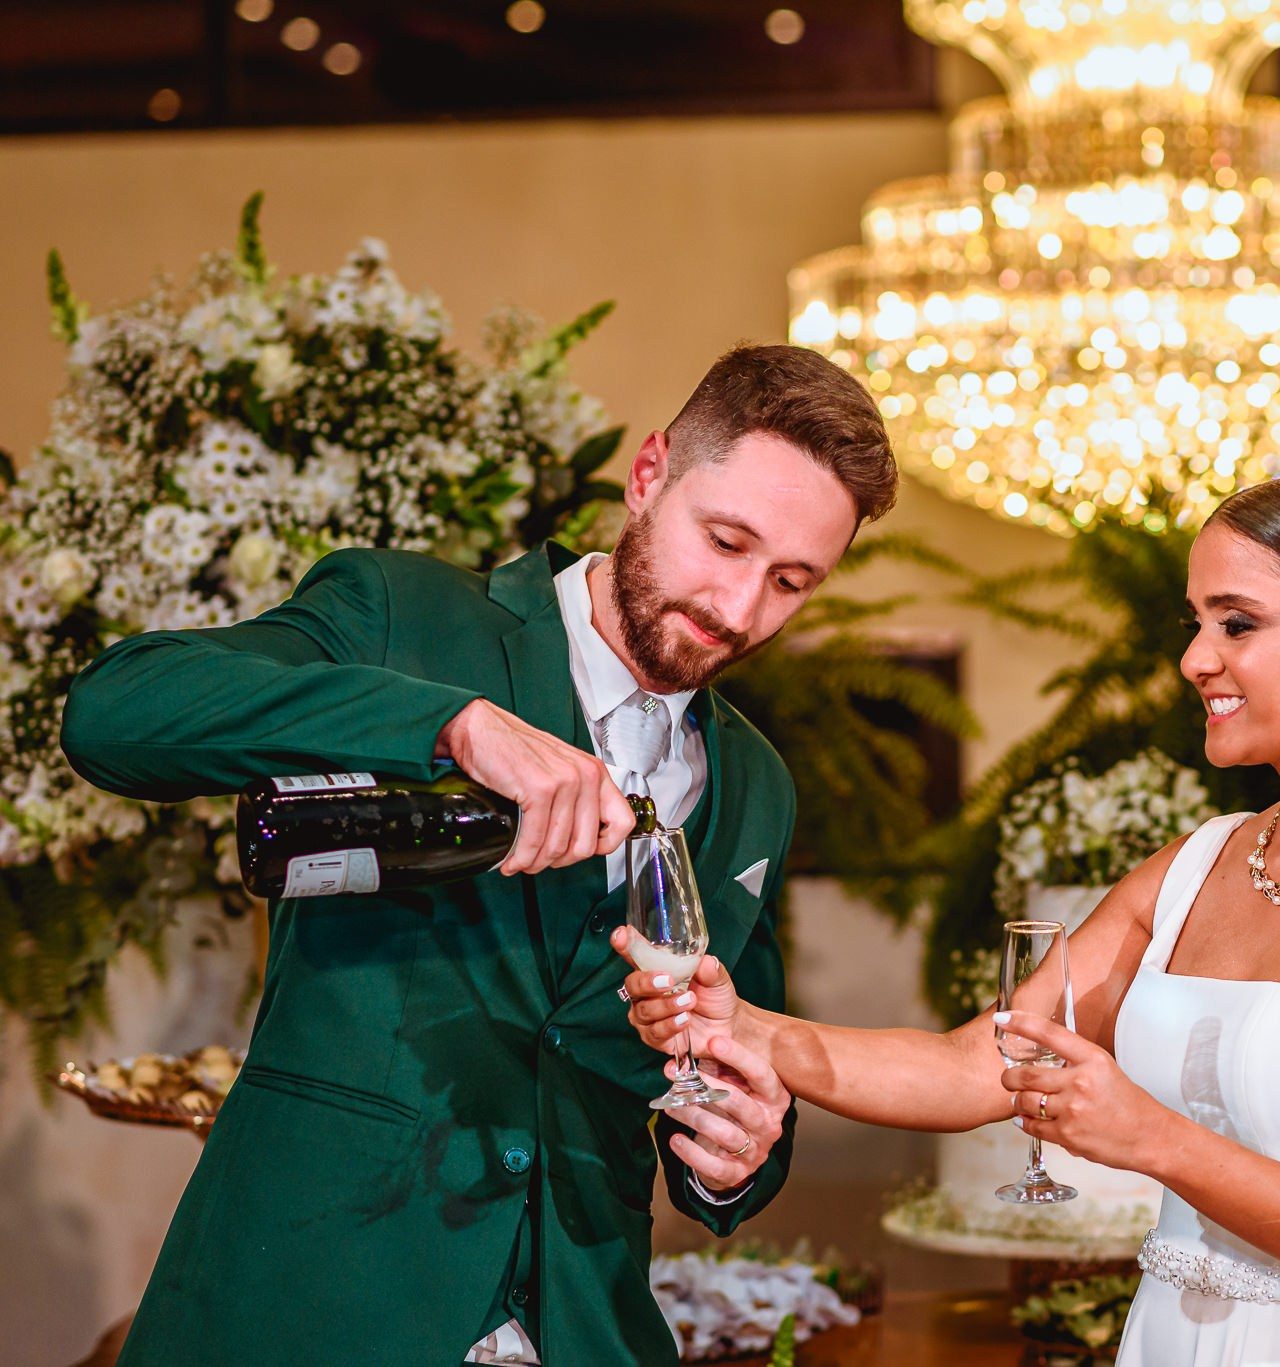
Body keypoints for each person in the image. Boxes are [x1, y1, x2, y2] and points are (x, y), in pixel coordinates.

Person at [60, 343, 898, 1367]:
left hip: (582, 1323)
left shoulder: (757, 783)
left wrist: (739, 1153)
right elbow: (116, 711)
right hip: (313, 1302)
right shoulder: (404, 616)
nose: (738, 607)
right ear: (649, 476)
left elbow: (730, 1049)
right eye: (723, 540)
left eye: (789, 580)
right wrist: (450, 722)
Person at [620, 469, 1280, 1366]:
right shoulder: (1193, 865)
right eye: (1196, 623)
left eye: (1238, 623)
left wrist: (1155, 1139)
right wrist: (745, 1026)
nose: (1195, 658)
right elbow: (972, 1064)